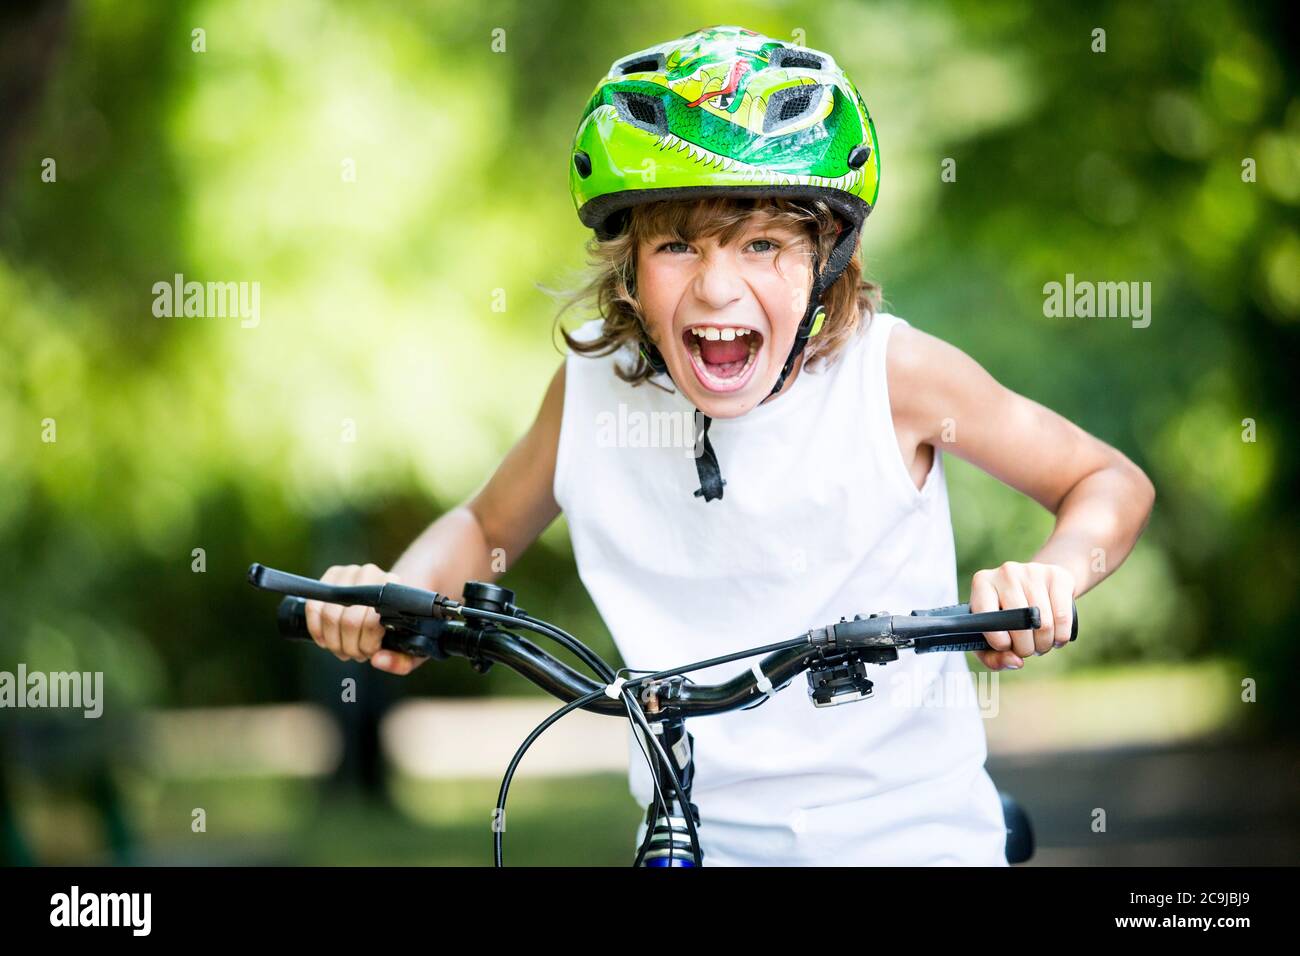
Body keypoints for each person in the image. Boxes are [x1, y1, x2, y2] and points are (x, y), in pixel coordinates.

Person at [301, 25, 1155, 865]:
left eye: (762, 245)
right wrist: (397, 596)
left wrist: (1055, 573)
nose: (716, 285)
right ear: (629, 268)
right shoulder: (593, 393)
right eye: (676, 244)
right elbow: (483, 524)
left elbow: (1105, 481)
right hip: (695, 840)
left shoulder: (890, 377)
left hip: (911, 841)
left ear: (828, 260)